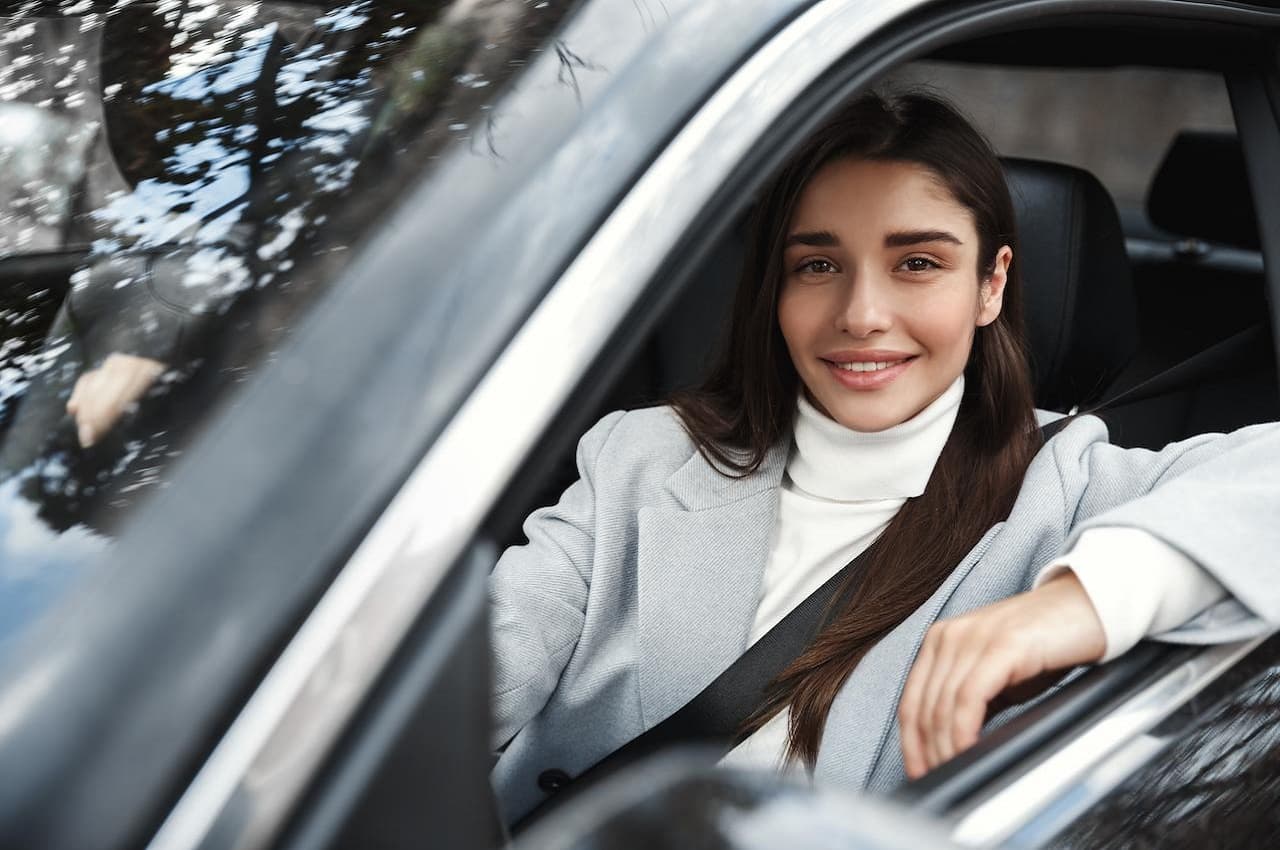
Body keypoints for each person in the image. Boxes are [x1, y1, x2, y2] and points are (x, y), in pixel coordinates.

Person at [488, 90, 1280, 823]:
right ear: (778, 289)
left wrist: (1074, 603)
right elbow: (469, 677)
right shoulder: (642, 457)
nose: (862, 314)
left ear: (990, 285)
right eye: (819, 265)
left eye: (918, 263)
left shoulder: (1071, 488)